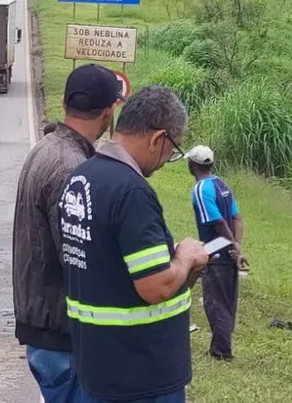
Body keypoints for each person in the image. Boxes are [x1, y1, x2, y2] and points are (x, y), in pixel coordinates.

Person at [60, 85, 209, 403]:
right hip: (141, 373)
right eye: (174, 150)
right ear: (159, 139)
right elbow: (155, 287)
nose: (167, 160)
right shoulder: (131, 192)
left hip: (98, 364)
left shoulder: (81, 177)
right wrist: (186, 257)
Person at [12, 64, 124, 403]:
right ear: (109, 112)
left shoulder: (47, 147)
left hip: (44, 324)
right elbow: (76, 255)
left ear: (64, 102)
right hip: (60, 330)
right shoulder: (70, 167)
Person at [187, 144, 248, 362]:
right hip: (229, 250)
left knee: (215, 300)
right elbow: (237, 218)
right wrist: (237, 245)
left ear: (192, 165)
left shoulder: (201, 189)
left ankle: (222, 351)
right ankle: (222, 345)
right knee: (227, 299)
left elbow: (218, 222)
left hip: (215, 250)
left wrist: (231, 245)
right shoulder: (222, 185)